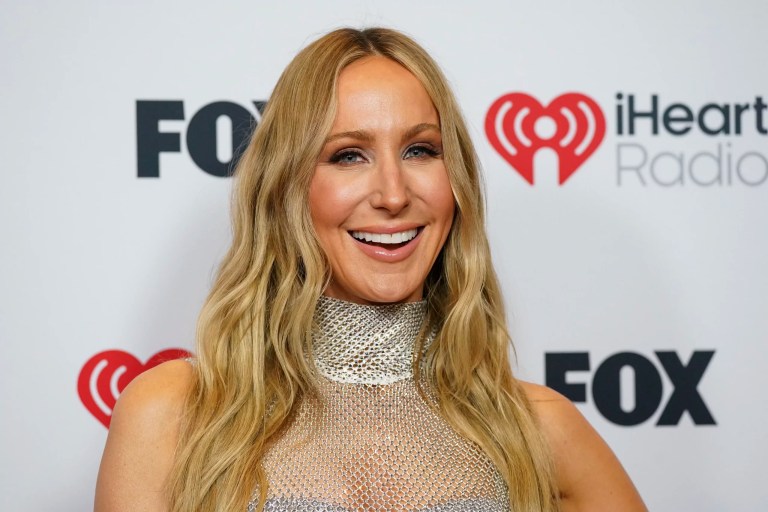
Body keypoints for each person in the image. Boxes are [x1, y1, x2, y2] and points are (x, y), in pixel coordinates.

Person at [95, 27, 647, 512]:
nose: (392, 194)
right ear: (287, 188)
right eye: (348, 156)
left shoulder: (538, 429)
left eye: (420, 150)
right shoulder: (173, 416)